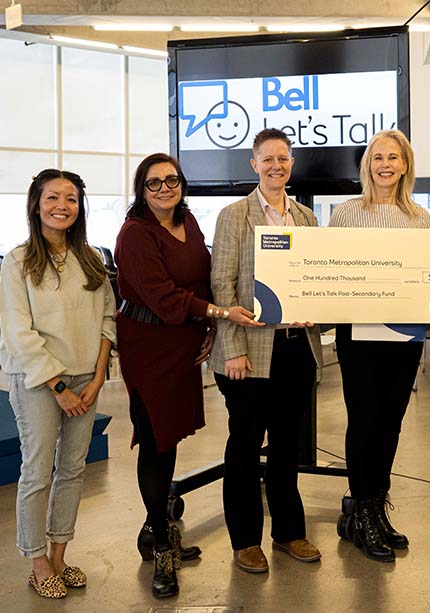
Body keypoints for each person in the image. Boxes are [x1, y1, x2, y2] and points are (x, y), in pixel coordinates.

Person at [115, 153, 259, 598]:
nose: (164, 189)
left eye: (171, 180)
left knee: (169, 438)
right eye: (153, 183)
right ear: (141, 190)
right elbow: (162, 297)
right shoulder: (135, 234)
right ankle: (162, 545)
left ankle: (153, 527)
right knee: (155, 441)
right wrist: (217, 313)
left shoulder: (190, 222)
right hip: (149, 346)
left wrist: (210, 324)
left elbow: (202, 281)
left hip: (181, 347)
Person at [210, 128, 323, 573]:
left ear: (291, 164)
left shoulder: (306, 218)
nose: (276, 166)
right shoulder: (235, 215)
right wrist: (233, 349)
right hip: (251, 353)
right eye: (267, 159)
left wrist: (318, 308)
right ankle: (244, 541)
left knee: (286, 448)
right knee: (243, 446)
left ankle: (289, 533)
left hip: (296, 348)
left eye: (283, 158)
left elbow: (316, 278)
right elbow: (222, 285)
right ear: (253, 164)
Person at [0, 169, 115, 598]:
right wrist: (58, 388)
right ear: (36, 204)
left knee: (72, 470)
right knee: (37, 471)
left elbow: (107, 318)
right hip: (38, 382)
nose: (62, 206)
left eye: (70, 198)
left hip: (87, 378)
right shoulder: (18, 261)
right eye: (52, 198)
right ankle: (37, 560)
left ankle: (60, 555)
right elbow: (17, 330)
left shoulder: (91, 258)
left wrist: (99, 374)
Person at [328, 129, 430, 563]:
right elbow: (331, 270)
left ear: (405, 165)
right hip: (358, 333)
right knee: (364, 419)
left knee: (391, 421)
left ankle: (374, 506)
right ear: (367, 166)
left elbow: (427, 274)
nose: (385, 164)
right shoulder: (347, 212)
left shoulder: (419, 216)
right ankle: (363, 510)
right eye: (377, 158)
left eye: (393, 157)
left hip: (404, 334)